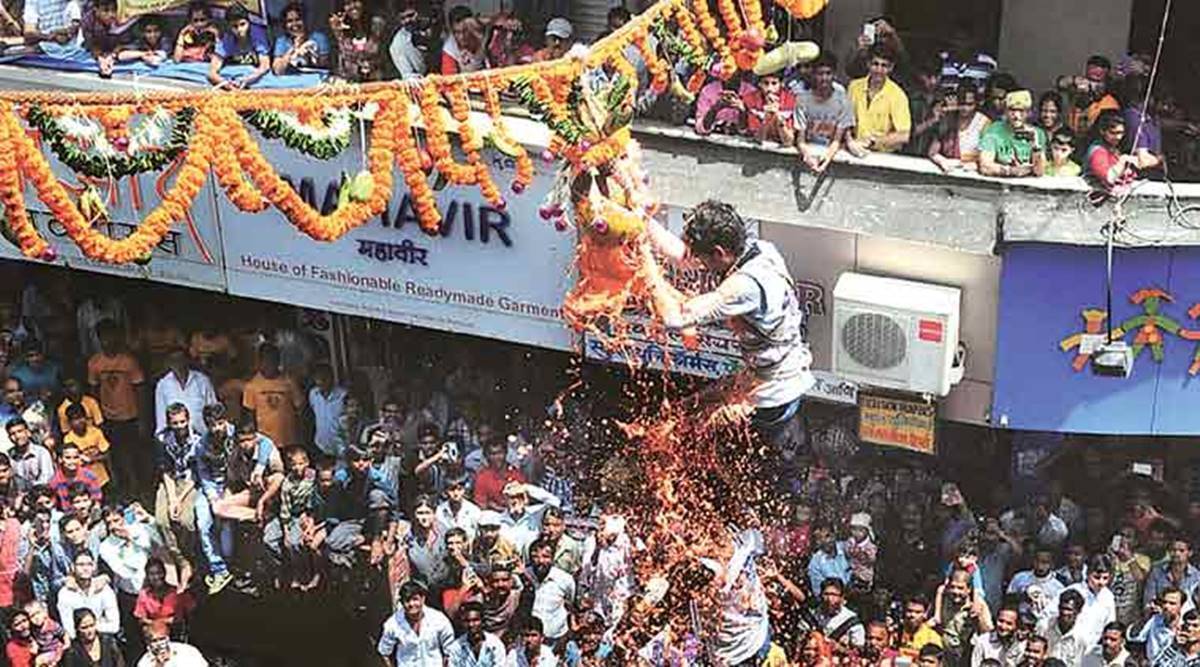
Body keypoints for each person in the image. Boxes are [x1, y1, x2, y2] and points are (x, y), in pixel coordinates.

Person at [644, 199, 813, 450]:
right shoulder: (760, 249)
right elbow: (684, 256)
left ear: (719, 252)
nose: (699, 265)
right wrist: (640, 221)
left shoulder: (743, 287)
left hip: (773, 395)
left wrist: (643, 271)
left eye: (703, 258)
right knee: (684, 411)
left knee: (694, 437)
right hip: (760, 375)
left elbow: (675, 318)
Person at [88, 320, 145, 495]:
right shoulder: (94, 362)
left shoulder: (129, 361)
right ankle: (120, 485)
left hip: (130, 415)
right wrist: (97, 417)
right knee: (114, 453)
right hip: (108, 416)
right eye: (103, 337)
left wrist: (142, 417)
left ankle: (137, 486)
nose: (107, 341)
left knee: (133, 452)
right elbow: (93, 390)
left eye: (110, 336)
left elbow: (139, 389)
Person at [153, 403, 203, 594]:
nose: (180, 426)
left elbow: (197, 472)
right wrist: (172, 498)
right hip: (170, 482)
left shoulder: (198, 438)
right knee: (162, 520)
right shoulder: (162, 439)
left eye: (183, 421)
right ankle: (181, 561)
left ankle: (192, 556)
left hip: (190, 482)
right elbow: (165, 470)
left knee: (187, 521)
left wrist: (181, 499)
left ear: (188, 419)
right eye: (175, 423)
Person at [846, 44, 912, 155]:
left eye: (884, 66)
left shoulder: (897, 95)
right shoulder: (854, 87)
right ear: (868, 64)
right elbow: (844, 121)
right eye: (875, 64)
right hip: (853, 151)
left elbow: (904, 135)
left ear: (891, 68)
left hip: (882, 157)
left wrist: (872, 142)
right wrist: (850, 141)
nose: (879, 70)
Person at [794, 52, 854, 173]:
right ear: (814, 75)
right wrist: (807, 155)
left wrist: (826, 160)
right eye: (820, 74)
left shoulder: (843, 101)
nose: (824, 78)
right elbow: (800, 140)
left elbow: (837, 140)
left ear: (834, 75)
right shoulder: (802, 100)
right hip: (808, 153)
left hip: (833, 156)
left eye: (828, 73)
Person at [240, 343, 304, 449]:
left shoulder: (290, 382)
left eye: (273, 360)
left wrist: (301, 437)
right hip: (265, 442)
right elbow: (249, 415)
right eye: (266, 360)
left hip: (289, 440)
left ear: (278, 360)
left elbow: (300, 409)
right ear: (259, 362)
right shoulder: (251, 385)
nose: (269, 364)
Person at [378, 580, 455, 666]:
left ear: (423, 599)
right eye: (407, 600)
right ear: (402, 602)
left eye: (415, 599)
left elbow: (450, 650)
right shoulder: (392, 624)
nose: (411, 604)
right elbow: (384, 652)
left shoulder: (439, 619)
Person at [978, 90, 1047, 178]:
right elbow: (985, 167)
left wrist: (1035, 144)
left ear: (1029, 113)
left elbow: (1039, 172)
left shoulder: (1038, 133)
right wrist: (1011, 171)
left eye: (1021, 111)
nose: (1017, 116)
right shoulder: (994, 130)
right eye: (1012, 110)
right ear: (1005, 111)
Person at [57, 551, 120, 640]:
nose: (85, 568)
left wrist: (88, 628)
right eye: (81, 565)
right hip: (78, 641)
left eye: (89, 564)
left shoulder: (104, 590)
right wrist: (96, 625)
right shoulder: (65, 594)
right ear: (73, 567)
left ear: (94, 567)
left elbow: (114, 626)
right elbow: (70, 631)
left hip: (102, 638)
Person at [154, 349, 215, 437]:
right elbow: (161, 420)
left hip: (203, 437)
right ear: (169, 363)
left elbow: (213, 411)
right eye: (174, 360)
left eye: (180, 359)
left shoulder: (202, 381)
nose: (178, 364)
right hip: (175, 441)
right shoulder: (163, 385)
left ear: (187, 360)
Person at [928, 86, 991, 172]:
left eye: (970, 104)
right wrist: (943, 161)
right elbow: (932, 152)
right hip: (948, 169)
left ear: (976, 103)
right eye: (962, 104)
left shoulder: (984, 122)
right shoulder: (948, 119)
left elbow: (989, 155)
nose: (965, 108)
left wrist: (976, 164)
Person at [208, 4, 270, 89]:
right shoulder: (226, 39)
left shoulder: (257, 34)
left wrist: (248, 79)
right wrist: (227, 85)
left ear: (249, 23)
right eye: (235, 26)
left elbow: (265, 66)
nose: (239, 30)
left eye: (242, 24)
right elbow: (212, 73)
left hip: (254, 77)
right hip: (233, 78)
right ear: (229, 27)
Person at [133, 558, 195, 638]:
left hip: (177, 632)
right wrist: (157, 624)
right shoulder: (144, 595)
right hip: (155, 634)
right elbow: (141, 618)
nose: (156, 577)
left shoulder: (177, 593)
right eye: (152, 574)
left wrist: (160, 621)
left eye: (159, 573)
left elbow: (190, 613)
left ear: (164, 573)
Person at [1060, 55, 1121, 135]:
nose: (1092, 84)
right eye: (1090, 79)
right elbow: (1061, 83)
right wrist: (1075, 80)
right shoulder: (1077, 93)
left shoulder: (1110, 104)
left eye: (1097, 81)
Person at [1084, 110, 1138, 192]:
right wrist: (1123, 161)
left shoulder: (1114, 149)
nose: (1119, 137)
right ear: (1102, 131)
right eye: (1113, 133)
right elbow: (1109, 178)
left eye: (1121, 133)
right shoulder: (1097, 152)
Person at [329, 0, 384, 82]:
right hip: (348, 82)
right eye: (347, 3)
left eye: (355, 1)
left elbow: (382, 55)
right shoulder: (339, 28)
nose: (352, 6)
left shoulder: (377, 25)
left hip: (377, 81)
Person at [271, 1, 329, 75]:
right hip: (292, 80)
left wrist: (310, 53)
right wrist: (294, 49)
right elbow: (278, 71)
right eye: (289, 21)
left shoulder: (319, 38)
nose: (294, 24)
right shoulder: (282, 41)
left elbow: (324, 66)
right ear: (285, 24)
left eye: (298, 19)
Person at [1040, 589, 1088, 667]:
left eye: (1069, 609)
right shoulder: (1045, 626)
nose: (1064, 612)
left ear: (1078, 611)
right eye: (1062, 608)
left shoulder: (1081, 636)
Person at [815, 577, 865, 649]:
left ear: (842, 597)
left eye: (834, 595)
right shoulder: (813, 616)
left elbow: (858, 650)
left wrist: (840, 648)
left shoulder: (852, 620)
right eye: (826, 594)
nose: (829, 599)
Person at [8, 417, 54, 487]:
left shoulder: (41, 452)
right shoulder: (9, 456)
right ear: (9, 438)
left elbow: (47, 478)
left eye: (20, 431)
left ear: (28, 433)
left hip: (39, 493)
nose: (17, 436)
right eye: (12, 434)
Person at [136, 623, 206, 666]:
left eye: (162, 639)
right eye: (154, 641)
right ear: (148, 643)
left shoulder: (188, 651)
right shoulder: (144, 662)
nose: (159, 644)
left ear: (168, 637)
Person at [441, 5, 484, 75]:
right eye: (457, 32)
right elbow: (449, 79)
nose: (461, 37)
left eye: (465, 31)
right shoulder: (449, 50)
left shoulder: (483, 39)